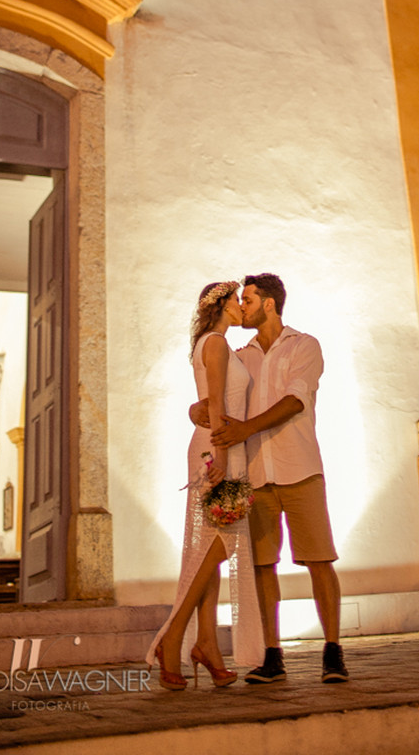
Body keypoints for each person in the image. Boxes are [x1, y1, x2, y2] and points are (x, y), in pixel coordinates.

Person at [201, 272, 348, 684]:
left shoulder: (304, 346)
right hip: (256, 473)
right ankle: (272, 654)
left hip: (299, 466)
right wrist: (199, 413)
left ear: (269, 303)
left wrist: (246, 429)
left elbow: (296, 399)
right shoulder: (240, 355)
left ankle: (333, 650)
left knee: (319, 560)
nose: (241, 307)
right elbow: (221, 397)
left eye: (247, 300)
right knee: (263, 566)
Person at [147, 281, 263, 690]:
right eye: (236, 300)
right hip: (218, 448)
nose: (241, 307)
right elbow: (215, 401)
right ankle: (174, 636)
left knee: (210, 548)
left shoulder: (221, 345)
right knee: (221, 544)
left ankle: (207, 644)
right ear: (220, 305)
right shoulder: (214, 343)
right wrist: (225, 452)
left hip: (223, 444)